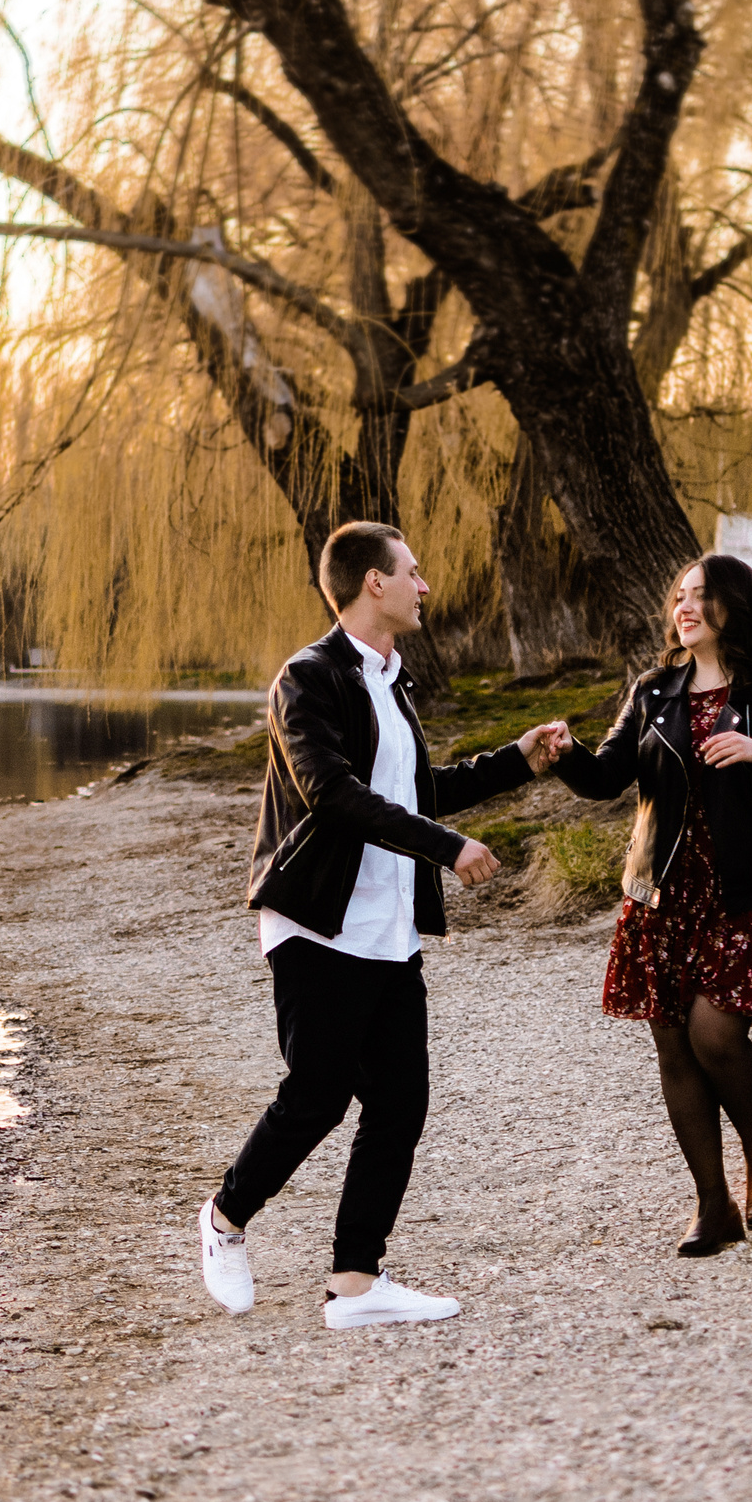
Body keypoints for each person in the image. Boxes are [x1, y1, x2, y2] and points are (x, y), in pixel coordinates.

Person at [199, 520, 566, 1327]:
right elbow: (333, 793)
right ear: (373, 582)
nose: (424, 585)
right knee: (317, 1096)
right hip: (317, 923)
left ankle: (355, 1282)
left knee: (400, 1102)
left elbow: (410, 789)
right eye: (413, 570)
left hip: (387, 930)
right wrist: (448, 848)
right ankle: (224, 1219)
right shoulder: (307, 677)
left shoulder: (391, 679)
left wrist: (518, 759)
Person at [546, 554, 752, 1255]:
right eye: (679, 595)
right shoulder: (653, 691)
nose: (686, 606)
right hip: (661, 894)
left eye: (701, 594)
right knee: (672, 1041)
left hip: (743, 892)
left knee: (715, 1033)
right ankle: (713, 1205)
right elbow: (609, 776)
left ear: (734, 603)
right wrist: (567, 753)